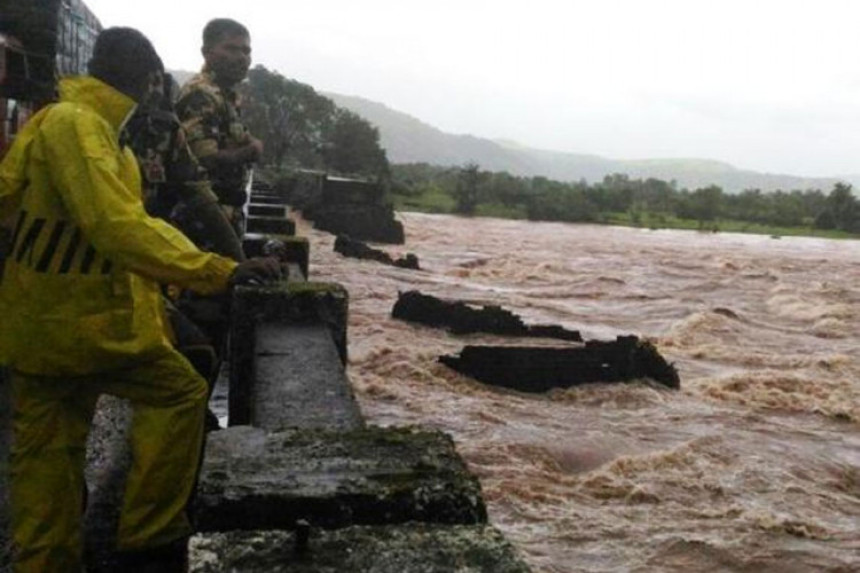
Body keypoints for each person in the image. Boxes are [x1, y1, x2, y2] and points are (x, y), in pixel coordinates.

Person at [0, 27, 279, 572]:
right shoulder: (84, 130)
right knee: (177, 390)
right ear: (150, 79)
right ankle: (148, 537)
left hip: (44, 327)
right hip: (86, 327)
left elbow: (8, 196)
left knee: (45, 461)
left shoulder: (67, 124)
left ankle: (47, 558)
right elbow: (119, 226)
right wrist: (219, 270)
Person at [127, 64, 247, 431]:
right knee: (190, 357)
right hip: (137, 271)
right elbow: (128, 225)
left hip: (133, 269)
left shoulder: (64, 123)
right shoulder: (161, 124)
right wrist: (229, 268)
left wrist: (236, 265)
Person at [176, 18, 263, 238]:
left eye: (246, 50)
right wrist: (251, 150)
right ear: (207, 52)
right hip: (201, 222)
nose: (242, 57)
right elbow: (204, 160)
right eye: (231, 49)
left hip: (223, 215)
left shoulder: (228, 96)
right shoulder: (201, 94)